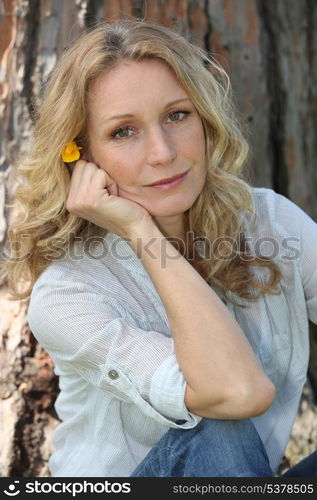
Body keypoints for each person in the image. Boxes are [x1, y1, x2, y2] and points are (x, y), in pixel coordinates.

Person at [2, 19, 317, 477]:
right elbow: (235, 393)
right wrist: (141, 231)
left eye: (177, 115)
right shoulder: (68, 295)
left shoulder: (269, 221)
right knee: (217, 422)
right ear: (82, 155)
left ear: (205, 119)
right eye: (123, 131)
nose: (163, 153)